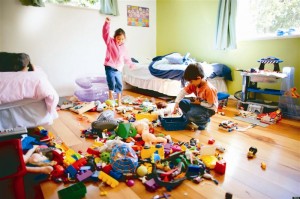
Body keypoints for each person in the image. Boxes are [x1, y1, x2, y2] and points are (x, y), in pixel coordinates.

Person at [173, 63, 218, 130]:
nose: (190, 83)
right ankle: (190, 118)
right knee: (181, 102)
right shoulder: (194, 84)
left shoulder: (209, 89)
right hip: (199, 104)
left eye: (191, 81)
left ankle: (204, 122)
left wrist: (199, 103)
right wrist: (176, 103)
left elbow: (211, 105)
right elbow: (183, 92)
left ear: (199, 78)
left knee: (191, 115)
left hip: (209, 109)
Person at [102, 17, 135, 106]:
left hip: (118, 69)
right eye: (118, 38)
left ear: (124, 39)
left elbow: (127, 58)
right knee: (111, 82)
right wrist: (107, 24)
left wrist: (131, 64)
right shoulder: (110, 42)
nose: (120, 41)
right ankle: (110, 97)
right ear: (115, 37)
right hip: (109, 67)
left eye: (122, 39)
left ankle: (119, 100)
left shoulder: (124, 48)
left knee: (119, 84)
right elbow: (105, 34)